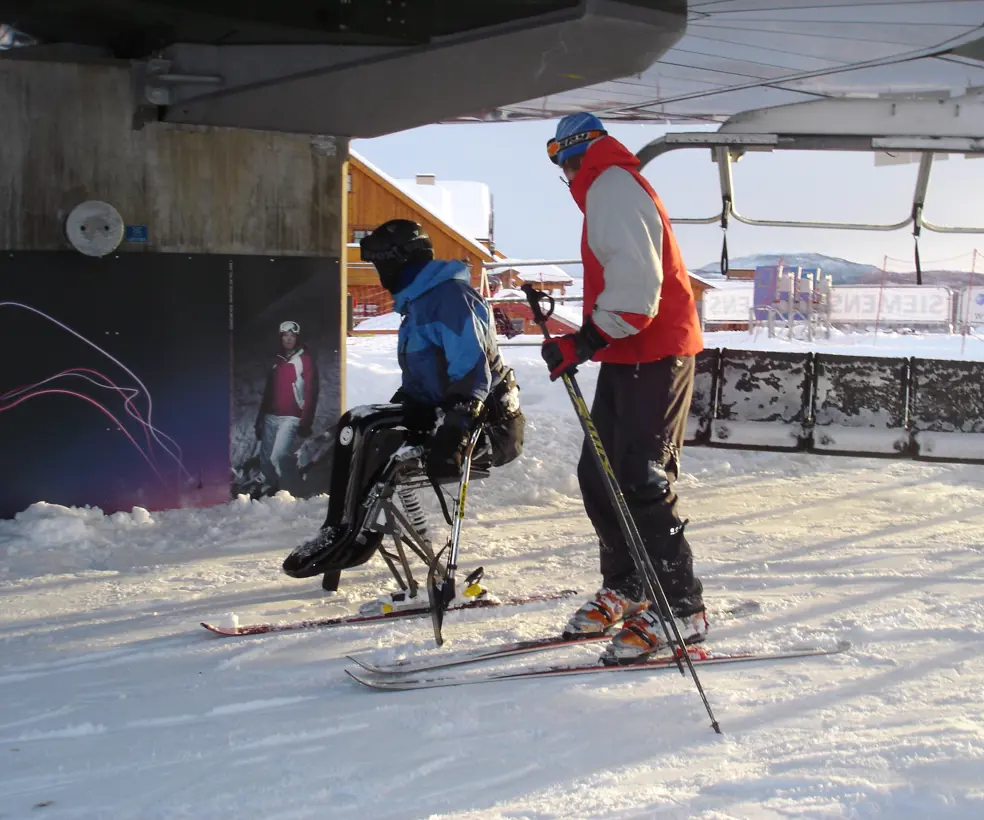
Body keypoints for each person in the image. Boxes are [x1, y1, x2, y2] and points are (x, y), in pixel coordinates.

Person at [542, 112, 706, 663]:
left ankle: (682, 606)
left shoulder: (610, 183)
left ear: (571, 155)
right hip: (630, 352)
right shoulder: (604, 185)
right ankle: (631, 583)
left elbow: (637, 291)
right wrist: (587, 341)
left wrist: (585, 340)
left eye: (560, 162)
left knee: (639, 476)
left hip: (655, 354)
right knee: (599, 473)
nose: (563, 176)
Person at [282, 218, 523, 582]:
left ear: (401, 261)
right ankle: (340, 530)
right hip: (445, 410)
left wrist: (456, 428)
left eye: (381, 263)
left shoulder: (451, 300)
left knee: (376, 439)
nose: (379, 272)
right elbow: (423, 381)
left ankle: (354, 535)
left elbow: (472, 370)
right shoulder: (420, 304)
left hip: (484, 424)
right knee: (357, 422)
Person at [255, 320, 319, 496]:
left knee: (279, 456)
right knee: (265, 459)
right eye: (285, 336)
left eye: (292, 336)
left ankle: (293, 493)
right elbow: (269, 392)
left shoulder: (304, 359)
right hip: (270, 415)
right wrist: (259, 420)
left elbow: (311, 391)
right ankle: (270, 489)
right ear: (281, 338)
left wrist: (305, 421)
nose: (289, 339)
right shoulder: (277, 360)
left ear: (297, 338)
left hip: (291, 417)